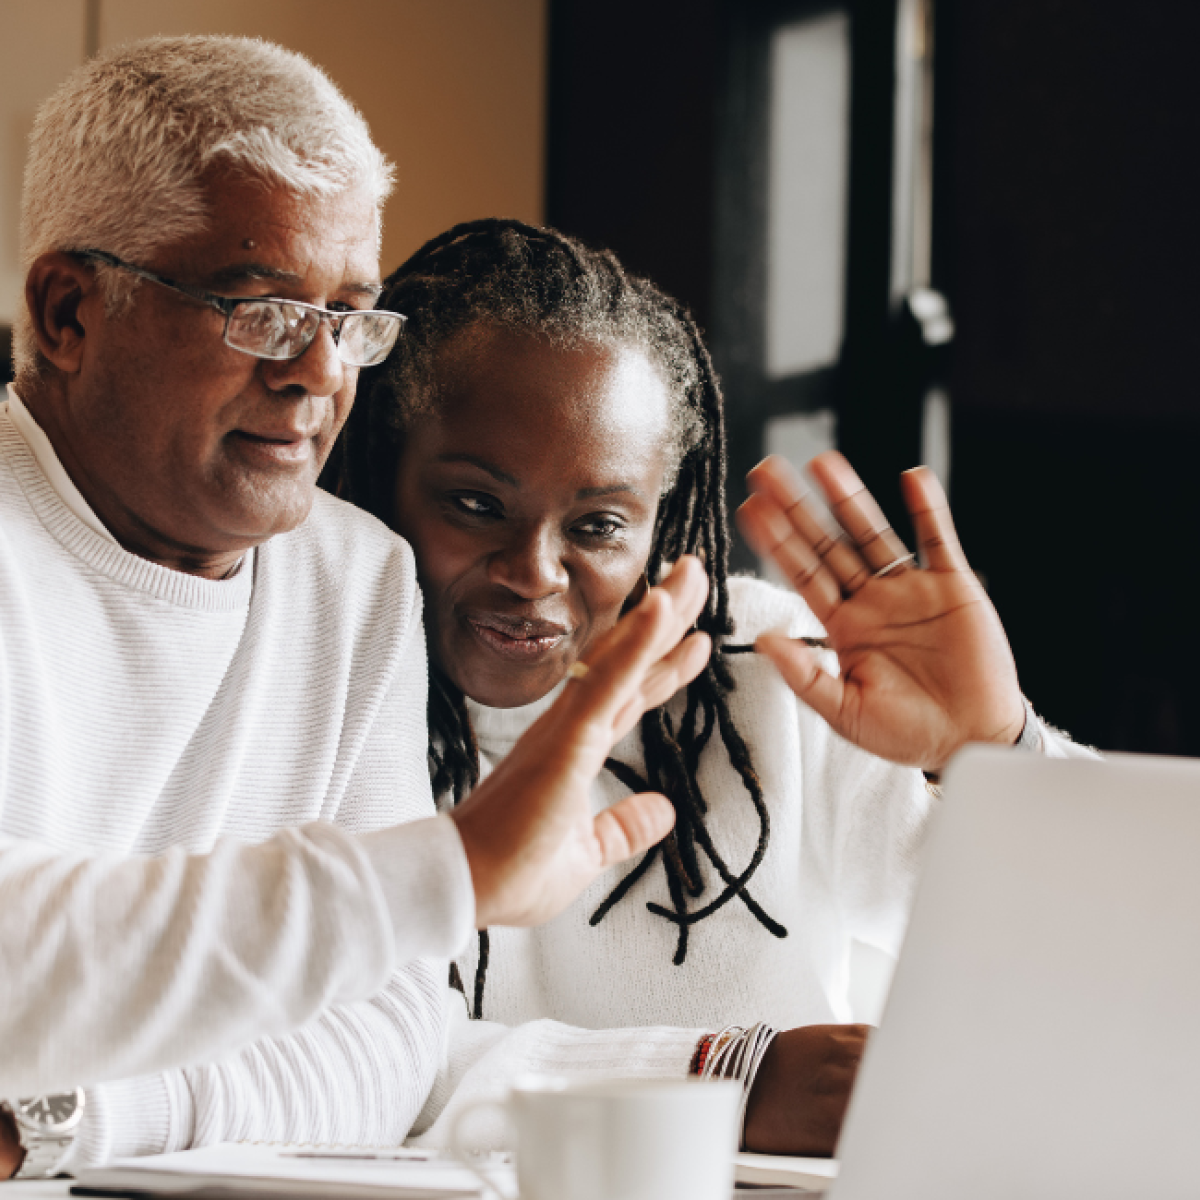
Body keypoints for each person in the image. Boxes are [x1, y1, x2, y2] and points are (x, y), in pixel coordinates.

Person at [0, 41, 711, 1178]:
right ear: (70, 311)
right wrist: (449, 872)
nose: (321, 372)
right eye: (261, 310)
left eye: (350, 315)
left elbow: (384, 1046)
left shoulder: (357, 577)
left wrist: (56, 1115)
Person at [334, 218, 1096, 1156]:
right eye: (477, 505)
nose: (534, 572)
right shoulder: (318, 696)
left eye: (600, 525)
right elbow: (358, 1065)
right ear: (380, 473)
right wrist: (724, 1078)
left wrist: (992, 752)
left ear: (663, 520)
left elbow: (1097, 970)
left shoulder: (772, 674)